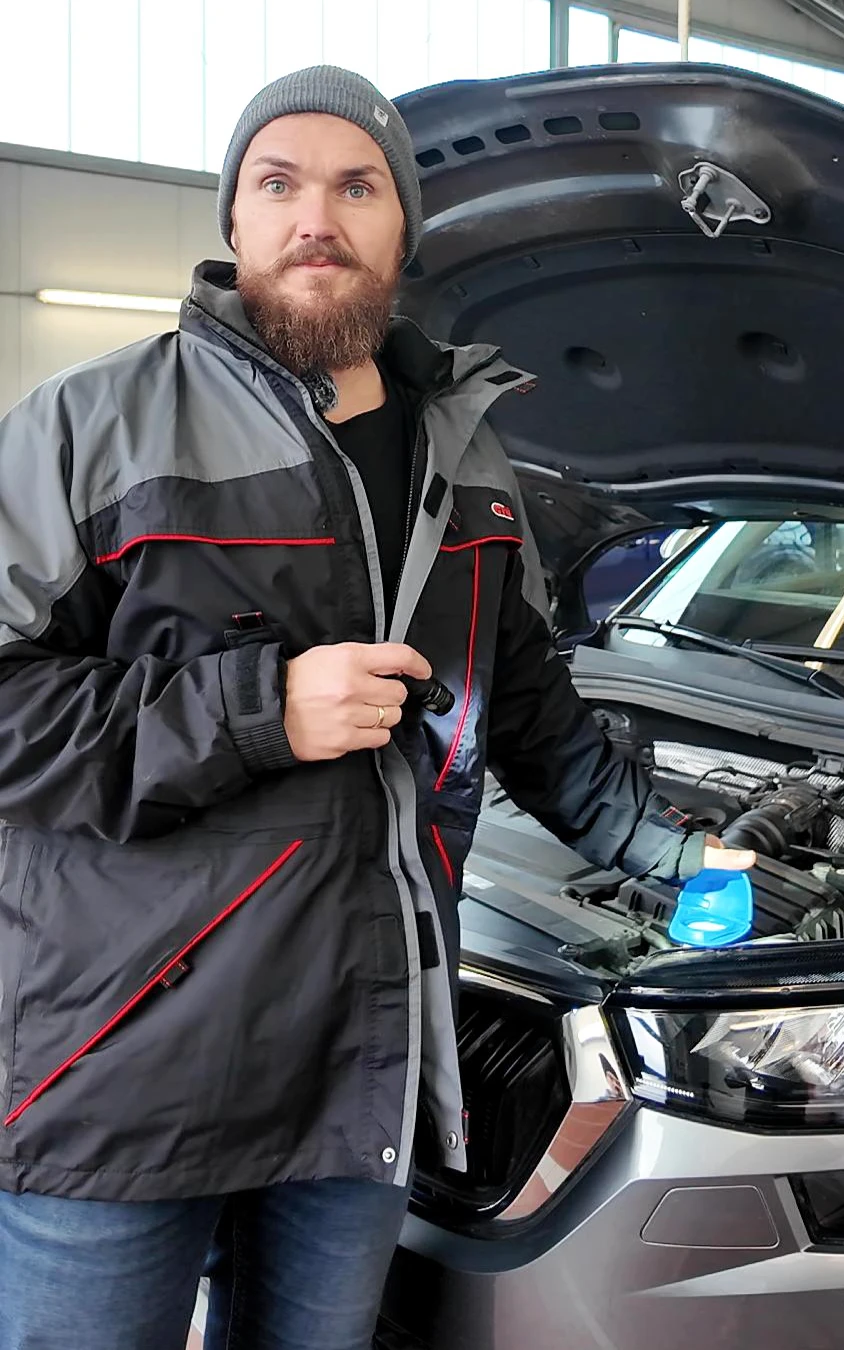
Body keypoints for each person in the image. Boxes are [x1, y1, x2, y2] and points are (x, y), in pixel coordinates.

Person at [0, 67, 754, 1350]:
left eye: (357, 187)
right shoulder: (89, 429)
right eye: (278, 183)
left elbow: (529, 710)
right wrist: (255, 710)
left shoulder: (467, 459)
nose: (316, 218)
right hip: (120, 1065)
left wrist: (684, 854)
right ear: (233, 219)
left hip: (364, 1071)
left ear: (403, 227)